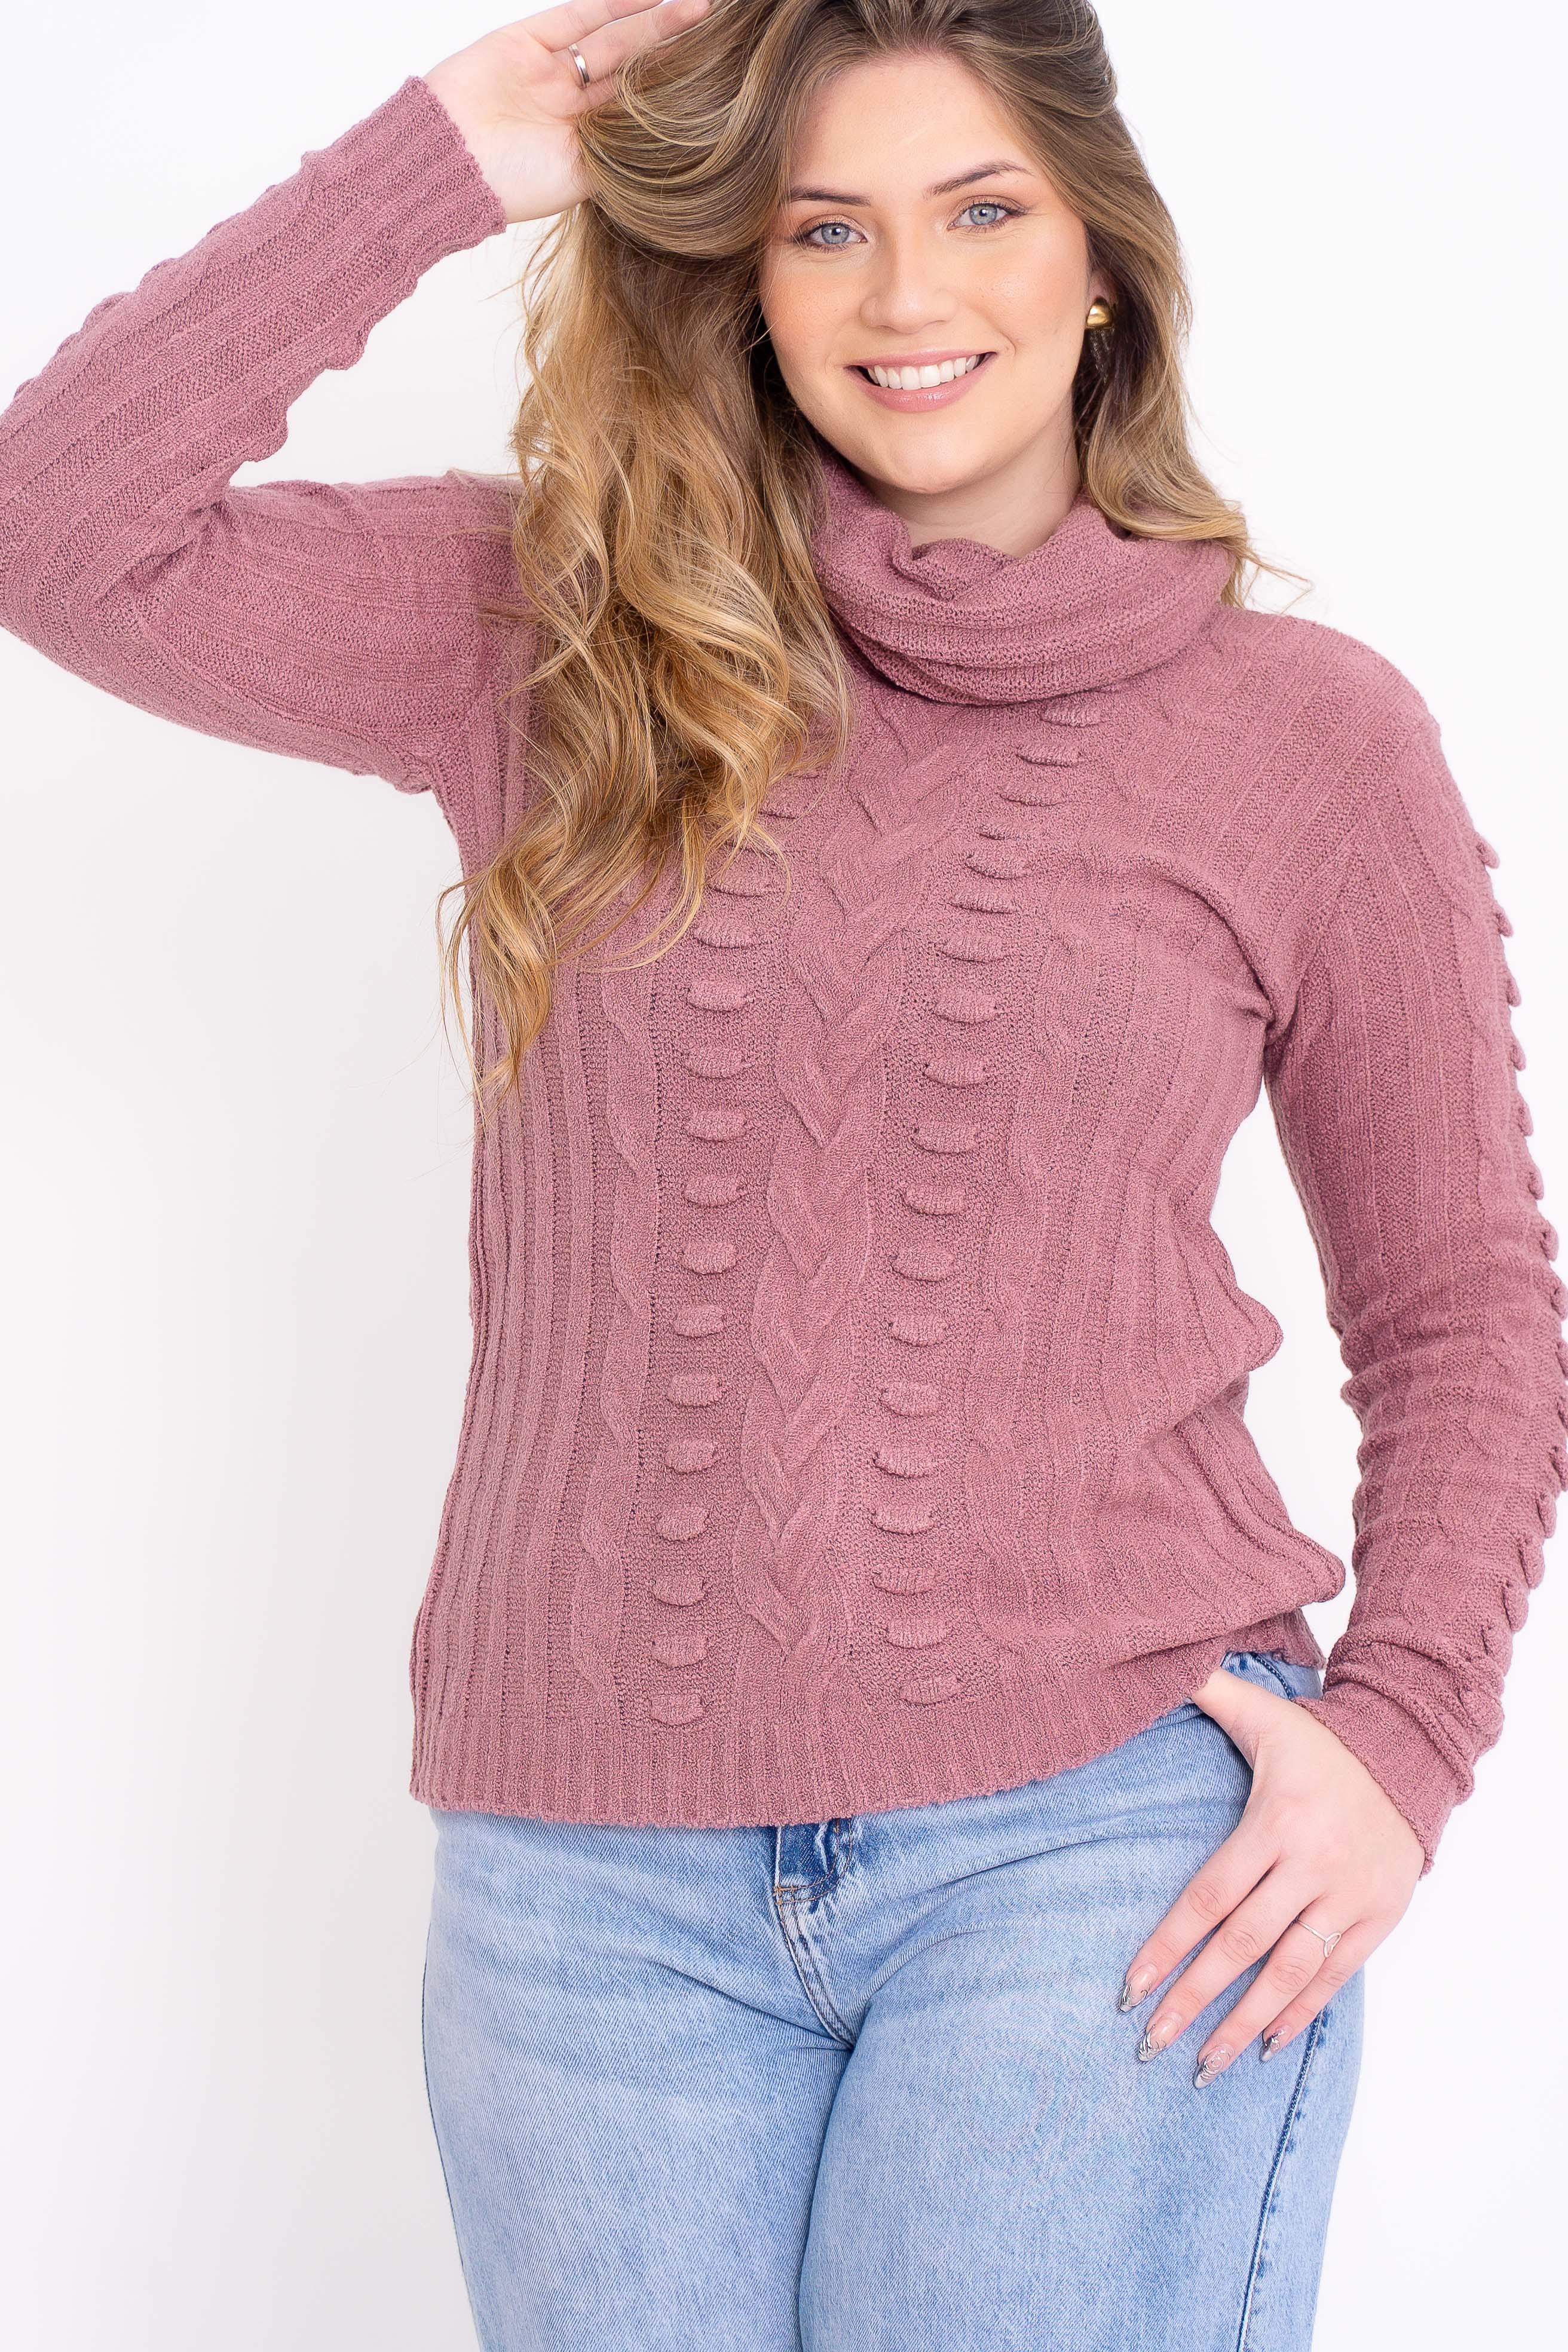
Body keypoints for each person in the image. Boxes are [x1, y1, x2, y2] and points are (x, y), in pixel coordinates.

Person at [2, 2, 1561, 2345]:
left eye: (979, 211)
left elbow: (1459, 1306)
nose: (905, 296)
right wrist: (441, 154)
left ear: (1103, 260)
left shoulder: (1304, 743)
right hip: (583, 1896)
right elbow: (53, 524)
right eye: (823, 229)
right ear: (742, 275)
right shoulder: (562, 636)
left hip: (1097, 1846)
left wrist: (1402, 1742)